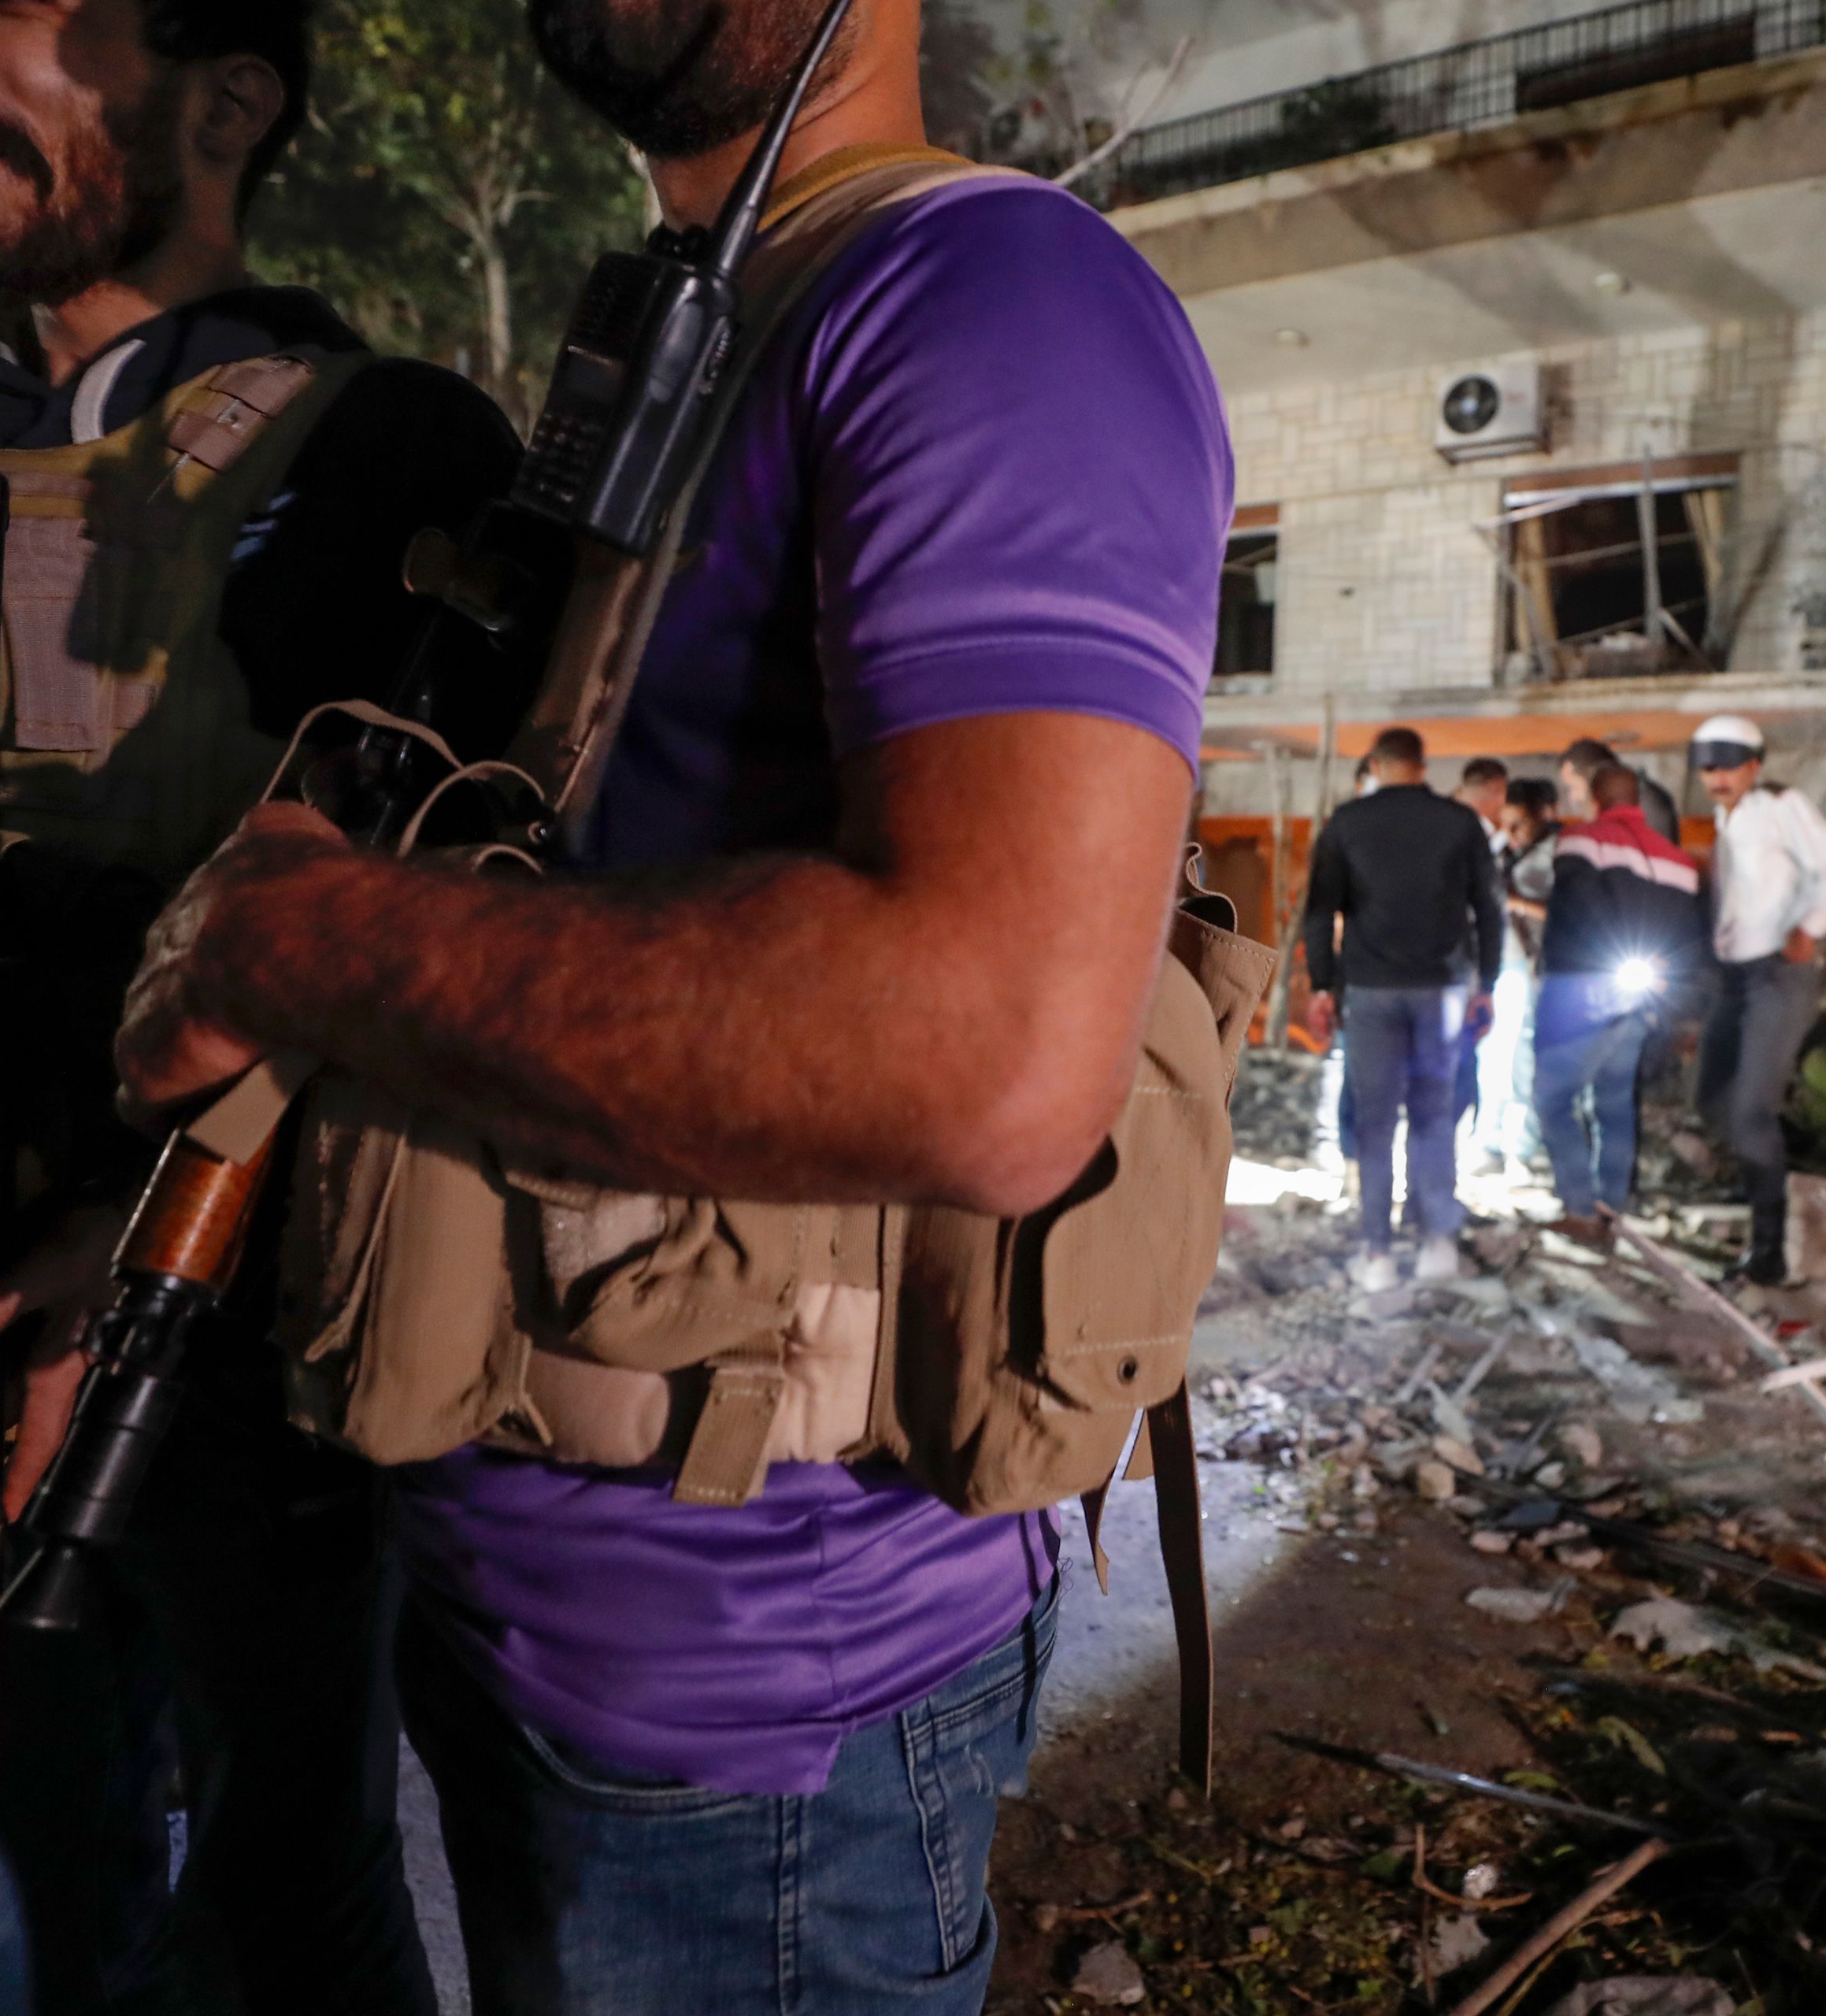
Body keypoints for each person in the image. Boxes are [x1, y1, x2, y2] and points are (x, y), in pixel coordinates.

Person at [98, 0, 1236, 2002]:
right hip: (523, 1600)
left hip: (762, 1725)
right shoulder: (701, 324)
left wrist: (296, 940)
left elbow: (985, 1054)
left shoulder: (992, 297)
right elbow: (548, 904)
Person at [0, 0, 524, 2002]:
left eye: (10, 8)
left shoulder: (389, 443)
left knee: (290, 1874)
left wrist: (139, 1246)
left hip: (238, 1308)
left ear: (227, 98)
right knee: (25, 1877)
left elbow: (460, 924)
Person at [1298, 728, 1501, 1287]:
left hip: (1370, 992)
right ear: (1422, 764)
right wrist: (1487, 983)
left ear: (1376, 764)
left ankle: (1379, 1256)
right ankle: (1438, 1246)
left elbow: (1319, 913)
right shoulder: (1459, 823)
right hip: (1441, 991)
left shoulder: (1347, 823)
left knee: (1374, 1121)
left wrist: (1322, 985)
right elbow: (1489, 908)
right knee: (1435, 1116)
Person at [1690, 713, 1826, 1285]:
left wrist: (1809, 926)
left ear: (1753, 767)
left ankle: (1769, 1251)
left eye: (1728, 767)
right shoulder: (1726, 818)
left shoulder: (1778, 807)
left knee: (1748, 1112)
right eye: (1709, 768)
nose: (1717, 778)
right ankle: (1763, 1180)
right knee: (1711, 1095)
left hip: (1779, 974)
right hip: (1736, 978)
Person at [1534, 760, 1704, 1244]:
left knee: (1553, 1097)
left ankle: (1580, 1206)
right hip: (1642, 993)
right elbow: (1687, 935)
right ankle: (1613, 1210)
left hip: (1579, 989)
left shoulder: (1582, 841)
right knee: (1614, 1101)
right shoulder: (1677, 861)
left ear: (1595, 797)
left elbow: (1572, 911)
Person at [1490, 776, 1559, 1165]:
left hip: (1535, 965)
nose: (1510, 834)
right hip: (1502, 963)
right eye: (1506, 824)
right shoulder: (1503, 851)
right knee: (1494, 1054)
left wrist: (1515, 902)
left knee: (1523, 1056)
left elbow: (1562, 910)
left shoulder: (1559, 855)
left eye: (1519, 825)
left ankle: (1520, 1147)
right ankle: (1488, 1137)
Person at [1449, 757, 1509, 1151]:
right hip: (1458, 968)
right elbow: (1489, 912)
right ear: (1494, 790)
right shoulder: (1470, 833)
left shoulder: (1438, 827)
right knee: (1458, 1071)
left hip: (1436, 966)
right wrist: (1486, 982)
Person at [1563, 734, 1678, 845]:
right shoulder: (1626, 800)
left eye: (1574, 786)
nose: (1573, 796)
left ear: (1595, 777)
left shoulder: (1644, 801)